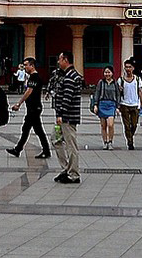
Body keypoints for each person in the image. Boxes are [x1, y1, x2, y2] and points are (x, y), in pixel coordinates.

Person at [7, 57, 50, 159]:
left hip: (34, 108)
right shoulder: (33, 77)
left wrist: (19, 103)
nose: (25, 67)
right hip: (33, 108)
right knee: (31, 129)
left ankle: (19, 149)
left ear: (32, 65)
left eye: (26, 65)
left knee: (32, 130)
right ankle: (18, 149)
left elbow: (29, 91)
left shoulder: (34, 77)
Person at [52, 51, 83, 184]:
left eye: (60, 59)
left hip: (68, 117)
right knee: (55, 140)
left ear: (65, 60)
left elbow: (67, 98)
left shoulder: (70, 76)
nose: (58, 62)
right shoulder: (68, 75)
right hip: (65, 116)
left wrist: (61, 114)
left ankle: (73, 174)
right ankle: (66, 168)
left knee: (71, 145)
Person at [116, 60, 142, 150]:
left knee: (134, 124)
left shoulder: (137, 79)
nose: (128, 69)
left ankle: (130, 136)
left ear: (133, 68)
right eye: (126, 67)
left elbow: (140, 91)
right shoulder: (120, 80)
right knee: (127, 125)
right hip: (124, 104)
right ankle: (130, 142)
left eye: (130, 67)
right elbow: (117, 93)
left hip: (135, 104)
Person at [90, 66, 121, 150]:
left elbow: (118, 95)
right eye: (106, 72)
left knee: (110, 124)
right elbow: (97, 93)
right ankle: (105, 142)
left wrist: (118, 106)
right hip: (102, 104)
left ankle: (110, 141)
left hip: (111, 105)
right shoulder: (101, 82)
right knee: (103, 125)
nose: (107, 74)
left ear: (112, 73)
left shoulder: (115, 83)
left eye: (109, 72)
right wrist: (95, 105)